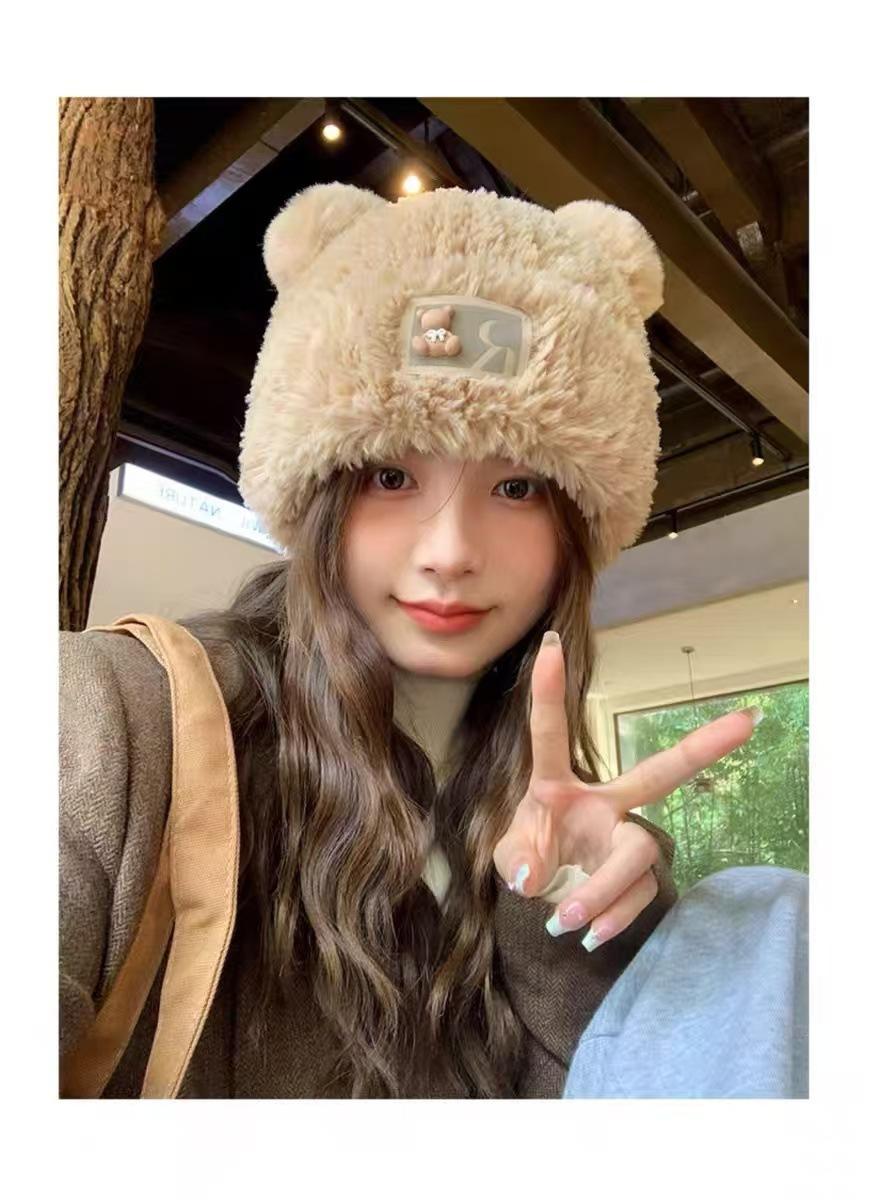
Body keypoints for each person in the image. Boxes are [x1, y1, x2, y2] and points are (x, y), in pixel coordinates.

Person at [59, 183, 792, 1100]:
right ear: (318, 496)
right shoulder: (111, 715)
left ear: (576, 527)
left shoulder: (571, 830)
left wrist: (560, 912)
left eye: (518, 488)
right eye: (391, 476)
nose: (449, 552)